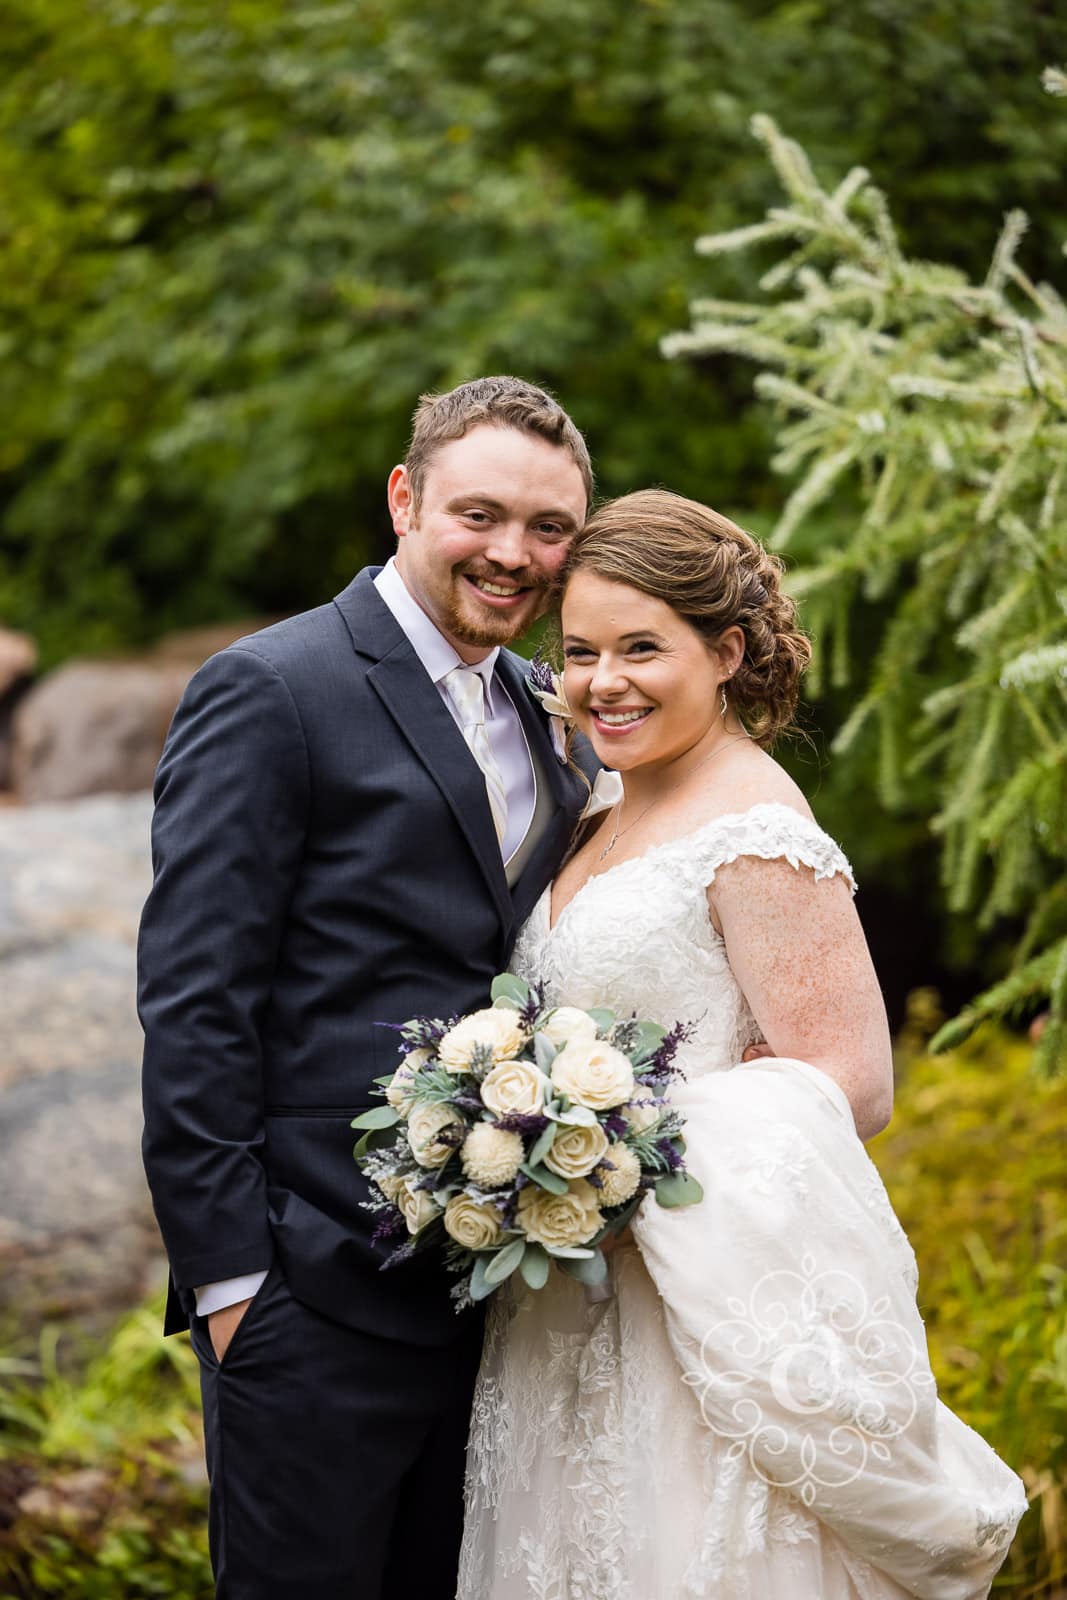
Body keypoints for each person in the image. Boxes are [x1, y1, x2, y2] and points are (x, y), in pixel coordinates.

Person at [458, 490, 1027, 1600]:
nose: (601, 680)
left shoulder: (753, 822)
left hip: (688, 1312)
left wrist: (612, 1163)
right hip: (556, 1310)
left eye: (639, 648)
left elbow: (848, 1083)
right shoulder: (597, 803)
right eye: (577, 651)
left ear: (723, 651)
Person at [138, 377, 598, 1600]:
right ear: (404, 498)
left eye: (549, 529)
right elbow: (193, 1002)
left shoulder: (554, 716)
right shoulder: (271, 687)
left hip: (494, 1307)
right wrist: (235, 1287)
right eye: (481, 514)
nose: (514, 554)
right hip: (308, 1298)